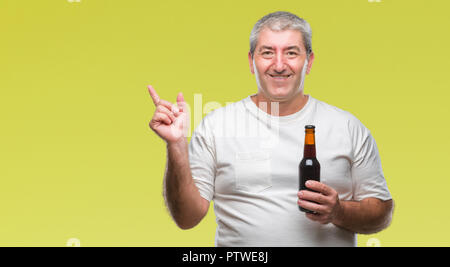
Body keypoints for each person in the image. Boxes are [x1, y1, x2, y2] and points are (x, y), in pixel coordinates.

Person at [147, 11, 394, 247]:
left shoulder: (347, 127)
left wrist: (339, 211)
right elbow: (187, 218)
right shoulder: (216, 126)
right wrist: (176, 145)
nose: (279, 65)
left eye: (291, 53)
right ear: (251, 62)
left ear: (308, 62)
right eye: (267, 53)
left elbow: (381, 214)